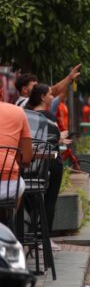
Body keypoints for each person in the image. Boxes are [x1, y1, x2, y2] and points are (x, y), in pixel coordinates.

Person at [24, 84, 67, 250]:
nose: (52, 97)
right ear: (42, 96)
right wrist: (60, 137)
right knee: (49, 200)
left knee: (33, 201)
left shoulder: (26, 114)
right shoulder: (47, 116)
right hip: (49, 164)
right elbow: (54, 138)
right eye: (50, 94)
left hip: (29, 166)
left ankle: (32, 234)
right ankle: (45, 237)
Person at [0, 80, 32, 216]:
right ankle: (8, 225)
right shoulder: (18, 112)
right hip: (8, 185)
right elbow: (27, 158)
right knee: (20, 184)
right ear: (1, 91)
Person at [15, 64, 82, 108]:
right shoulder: (26, 103)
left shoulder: (19, 104)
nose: (37, 88)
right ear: (24, 89)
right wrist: (69, 78)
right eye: (34, 86)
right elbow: (53, 91)